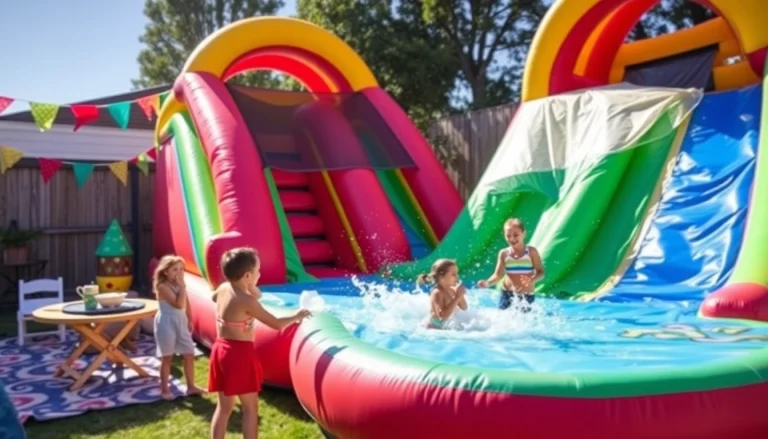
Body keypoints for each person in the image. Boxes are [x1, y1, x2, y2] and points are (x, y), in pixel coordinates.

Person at [209, 247, 311, 439]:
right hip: (239, 355)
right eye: (257, 271)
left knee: (224, 408)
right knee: (250, 408)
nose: (260, 274)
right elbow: (276, 324)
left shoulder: (224, 289)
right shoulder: (247, 301)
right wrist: (297, 316)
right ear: (247, 275)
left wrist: (248, 286)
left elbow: (215, 298)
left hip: (221, 350)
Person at [152, 255, 204, 400]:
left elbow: (186, 304)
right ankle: (164, 390)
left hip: (181, 321)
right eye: (175, 269)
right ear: (165, 272)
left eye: (181, 269)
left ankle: (191, 386)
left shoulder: (180, 285)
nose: (179, 272)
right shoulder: (162, 287)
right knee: (167, 357)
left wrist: (190, 319)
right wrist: (182, 287)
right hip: (166, 322)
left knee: (189, 354)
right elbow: (178, 304)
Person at [477, 218, 545, 311]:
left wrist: (532, 280)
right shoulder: (504, 253)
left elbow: (541, 272)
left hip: (526, 296)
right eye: (508, 236)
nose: (512, 238)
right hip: (507, 293)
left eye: (516, 235)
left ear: (524, 234)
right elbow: (498, 275)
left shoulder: (531, 252)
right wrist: (487, 283)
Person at [418, 259, 468, 329]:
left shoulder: (452, 290)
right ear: (441, 277)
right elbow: (441, 317)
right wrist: (456, 298)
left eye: (457, 273)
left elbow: (464, 307)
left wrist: (460, 296)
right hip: (434, 327)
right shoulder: (437, 293)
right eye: (453, 274)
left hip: (446, 325)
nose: (457, 277)